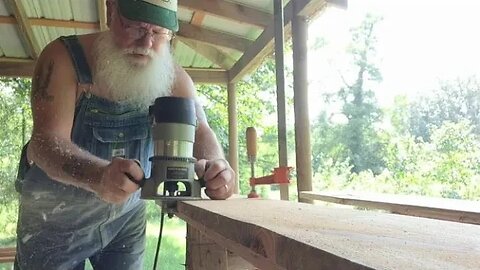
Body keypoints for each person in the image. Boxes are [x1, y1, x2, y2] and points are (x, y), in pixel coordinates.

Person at [14, 0, 235, 269]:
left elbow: (201, 130)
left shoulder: (173, 78)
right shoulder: (64, 58)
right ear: (111, 11)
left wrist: (217, 169)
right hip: (52, 220)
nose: (146, 43)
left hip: (124, 220)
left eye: (159, 32)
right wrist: (98, 176)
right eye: (135, 26)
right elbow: (45, 144)